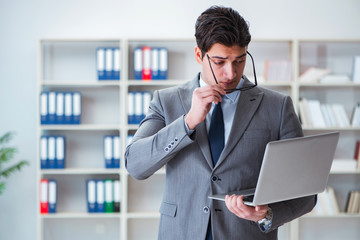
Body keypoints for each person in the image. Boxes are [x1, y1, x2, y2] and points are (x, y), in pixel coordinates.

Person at [125, 5, 316, 240]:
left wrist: (266, 215)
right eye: (219, 61)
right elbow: (135, 164)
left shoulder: (277, 106)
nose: (230, 73)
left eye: (239, 61)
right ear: (199, 55)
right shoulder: (166, 101)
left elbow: (306, 192)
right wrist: (188, 122)